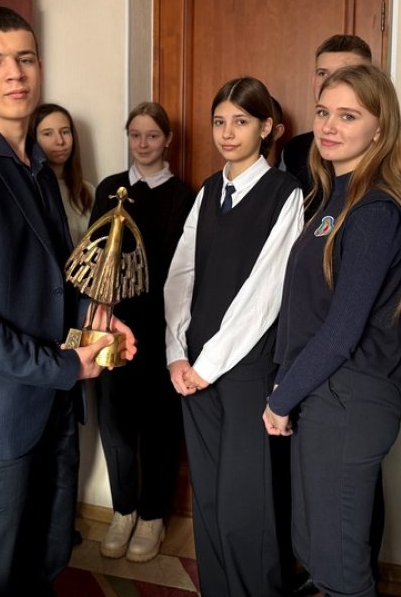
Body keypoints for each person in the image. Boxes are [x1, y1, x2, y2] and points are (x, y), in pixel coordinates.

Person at [0, 5, 135, 596]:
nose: (15, 73)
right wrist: (62, 366)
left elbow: (52, 282)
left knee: (46, 560)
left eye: (25, 58)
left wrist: (97, 317)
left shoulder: (39, 169)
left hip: (53, 410)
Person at [263, 64, 401, 597]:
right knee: (313, 550)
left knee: (339, 569)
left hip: (349, 398)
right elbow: (308, 310)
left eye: (348, 116)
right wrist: (289, 385)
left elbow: (342, 329)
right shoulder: (334, 196)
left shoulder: (375, 208)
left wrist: (282, 398)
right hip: (322, 392)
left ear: (380, 129)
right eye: (323, 112)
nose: (329, 126)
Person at [165, 76, 303, 596]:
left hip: (245, 369)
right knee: (209, 498)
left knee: (246, 503)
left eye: (240, 122)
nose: (227, 132)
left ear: (266, 127)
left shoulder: (286, 194)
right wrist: (176, 353)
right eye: (219, 121)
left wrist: (207, 364)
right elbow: (181, 276)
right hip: (192, 367)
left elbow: (267, 292)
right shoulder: (207, 190)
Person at [91, 102, 195, 562]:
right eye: (135, 135)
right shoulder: (110, 188)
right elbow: (94, 254)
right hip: (113, 326)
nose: (143, 144)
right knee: (114, 425)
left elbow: (183, 269)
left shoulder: (183, 195)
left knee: (158, 427)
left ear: (167, 139)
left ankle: (152, 516)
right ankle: (123, 511)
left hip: (161, 326)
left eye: (153, 135)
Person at [281, 34, 373, 198]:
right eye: (322, 73)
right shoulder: (294, 149)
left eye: (344, 74)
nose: (330, 82)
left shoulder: (388, 144)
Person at [30, 103, 95, 244]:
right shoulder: (29, 190)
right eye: (48, 134)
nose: (60, 141)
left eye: (65, 132)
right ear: (34, 139)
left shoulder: (88, 191)